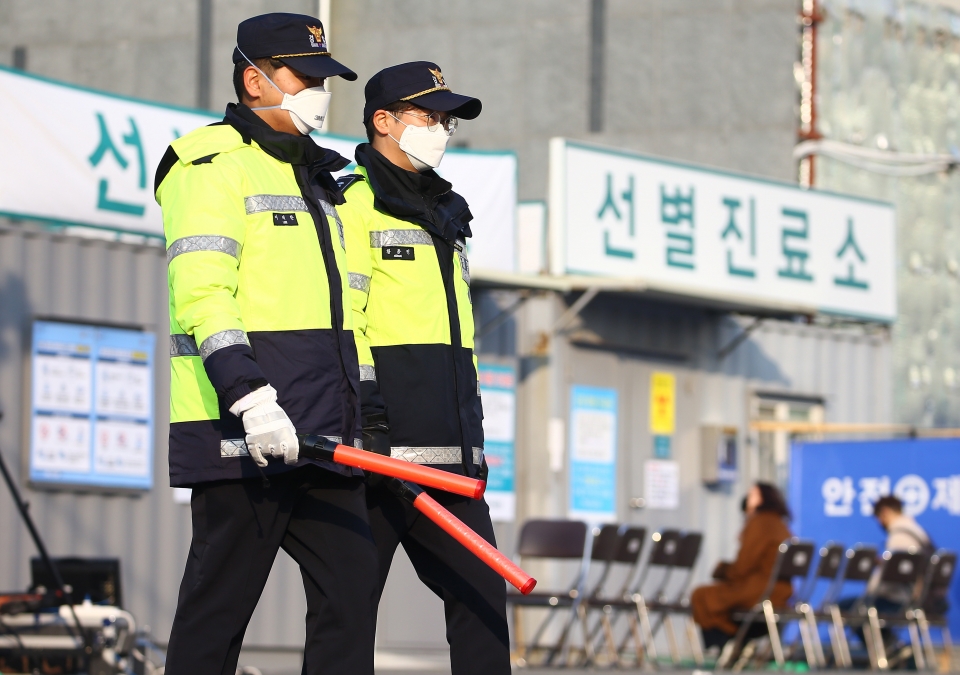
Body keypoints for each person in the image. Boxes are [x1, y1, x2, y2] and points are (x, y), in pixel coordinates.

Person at [155, 13, 379, 675]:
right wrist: (251, 399)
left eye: (325, 78)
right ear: (254, 80)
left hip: (321, 430)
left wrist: (366, 417)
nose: (320, 91)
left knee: (352, 584)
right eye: (303, 76)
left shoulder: (319, 180)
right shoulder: (208, 164)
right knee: (219, 608)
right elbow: (203, 293)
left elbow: (345, 318)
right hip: (242, 431)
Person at [335, 62, 510, 675]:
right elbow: (345, 322)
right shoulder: (351, 204)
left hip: (453, 464)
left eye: (446, 120)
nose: (441, 128)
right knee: (346, 617)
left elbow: (455, 340)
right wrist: (371, 419)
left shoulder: (447, 213)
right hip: (377, 459)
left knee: (484, 600)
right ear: (383, 122)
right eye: (428, 116)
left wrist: (474, 439)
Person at [691, 482, 793, 650]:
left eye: (752, 494)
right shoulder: (780, 523)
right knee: (714, 596)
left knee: (702, 596)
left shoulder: (760, 523)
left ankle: (725, 645)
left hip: (759, 592)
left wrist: (722, 569)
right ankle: (736, 644)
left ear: (762, 498)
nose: (746, 498)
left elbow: (742, 568)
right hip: (781, 593)